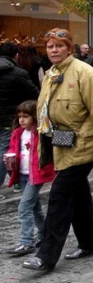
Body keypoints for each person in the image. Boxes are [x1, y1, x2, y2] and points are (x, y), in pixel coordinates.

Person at [22, 28, 93, 273]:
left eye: (59, 46)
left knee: (60, 196)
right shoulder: (51, 74)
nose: (54, 50)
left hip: (83, 144)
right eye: (50, 46)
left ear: (69, 48)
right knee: (79, 194)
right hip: (62, 143)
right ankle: (90, 242)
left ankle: (46, 256)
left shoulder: (85, 73)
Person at [2, 100, 55, 256]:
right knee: (35, 207)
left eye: (25, 116)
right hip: (23, 174)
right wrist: (10, 162)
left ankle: (27, 242)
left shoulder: (40, 132)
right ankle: (44, 235)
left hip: (36, 175)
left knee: (24, 207)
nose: (22, 120)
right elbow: (13, 149)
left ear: (34, 117)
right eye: (20, 117)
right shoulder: (17, 133)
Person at [0, 42, 39, 190]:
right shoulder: (18, 73)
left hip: (9, 117)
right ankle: (16, 180)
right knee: (7, 150)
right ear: (15, 56)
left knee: (9, 148)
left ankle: (16, 180)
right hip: (11, 117)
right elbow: (33, 93)